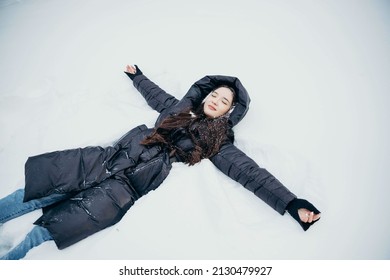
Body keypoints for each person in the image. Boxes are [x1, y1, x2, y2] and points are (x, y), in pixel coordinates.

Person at [0, 65, 321, 260]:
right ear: (205, 93)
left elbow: (253, 175)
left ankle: (10, 261)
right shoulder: (177, 107)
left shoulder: (219, 142)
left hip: (127, 187)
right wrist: (137, 76)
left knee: (55, 226)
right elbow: (154, 94)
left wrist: (292, 204)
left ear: (229, 112)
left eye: (225, 101)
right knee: (37, 190)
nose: (216, 101)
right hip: (104, 158)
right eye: (215, 94)